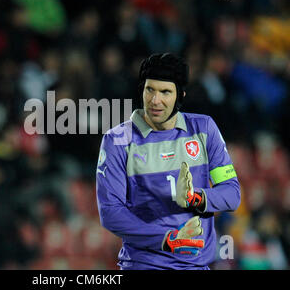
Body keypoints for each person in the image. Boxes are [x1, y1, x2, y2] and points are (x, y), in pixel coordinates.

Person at [96, 53, 241, 270]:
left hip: (197, 266)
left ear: (180, 96)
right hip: (145, 265)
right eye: (150, 90)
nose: (155, 100)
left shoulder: (204, 129)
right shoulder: (117, 140)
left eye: (165, 92)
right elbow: (110, 212)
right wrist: (167, 239)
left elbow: (232, 194)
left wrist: (196, 198)